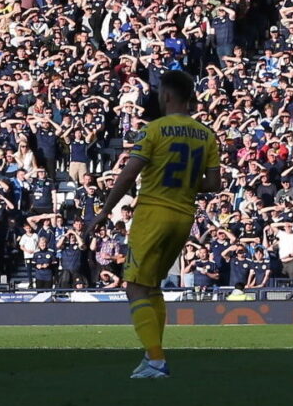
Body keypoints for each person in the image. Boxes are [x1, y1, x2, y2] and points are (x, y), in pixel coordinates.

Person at [91, 70, 220, 380]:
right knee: (152, 287)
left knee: (134, 286)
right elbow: (214, 183)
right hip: (183, 216)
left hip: (152, 214)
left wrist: (103, 211)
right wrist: (182, 185)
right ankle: (153, 356)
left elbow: (127, 175)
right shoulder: (206, 134)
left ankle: (156, 360)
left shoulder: (153, 131)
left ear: (166, 95)